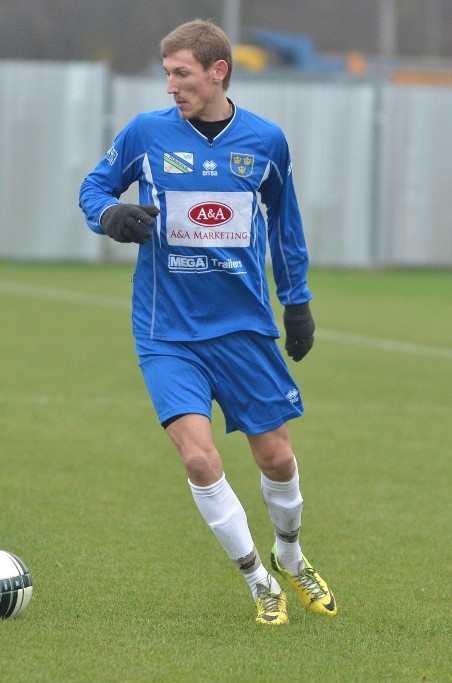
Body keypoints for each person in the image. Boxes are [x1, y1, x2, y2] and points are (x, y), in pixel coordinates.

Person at [79, 19, 337, 625]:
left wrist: (296, 301)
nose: (170, 85)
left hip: (244, 326)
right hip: (166, 330)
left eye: (181, 74)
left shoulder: (266, 142)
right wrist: (110, 213)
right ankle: (257, 582)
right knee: (198, 459)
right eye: (167, 73)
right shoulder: (146, 133)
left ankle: (290, 557)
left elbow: (286, 224)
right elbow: (93, 187)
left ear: (218, 71)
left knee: (276, 458)